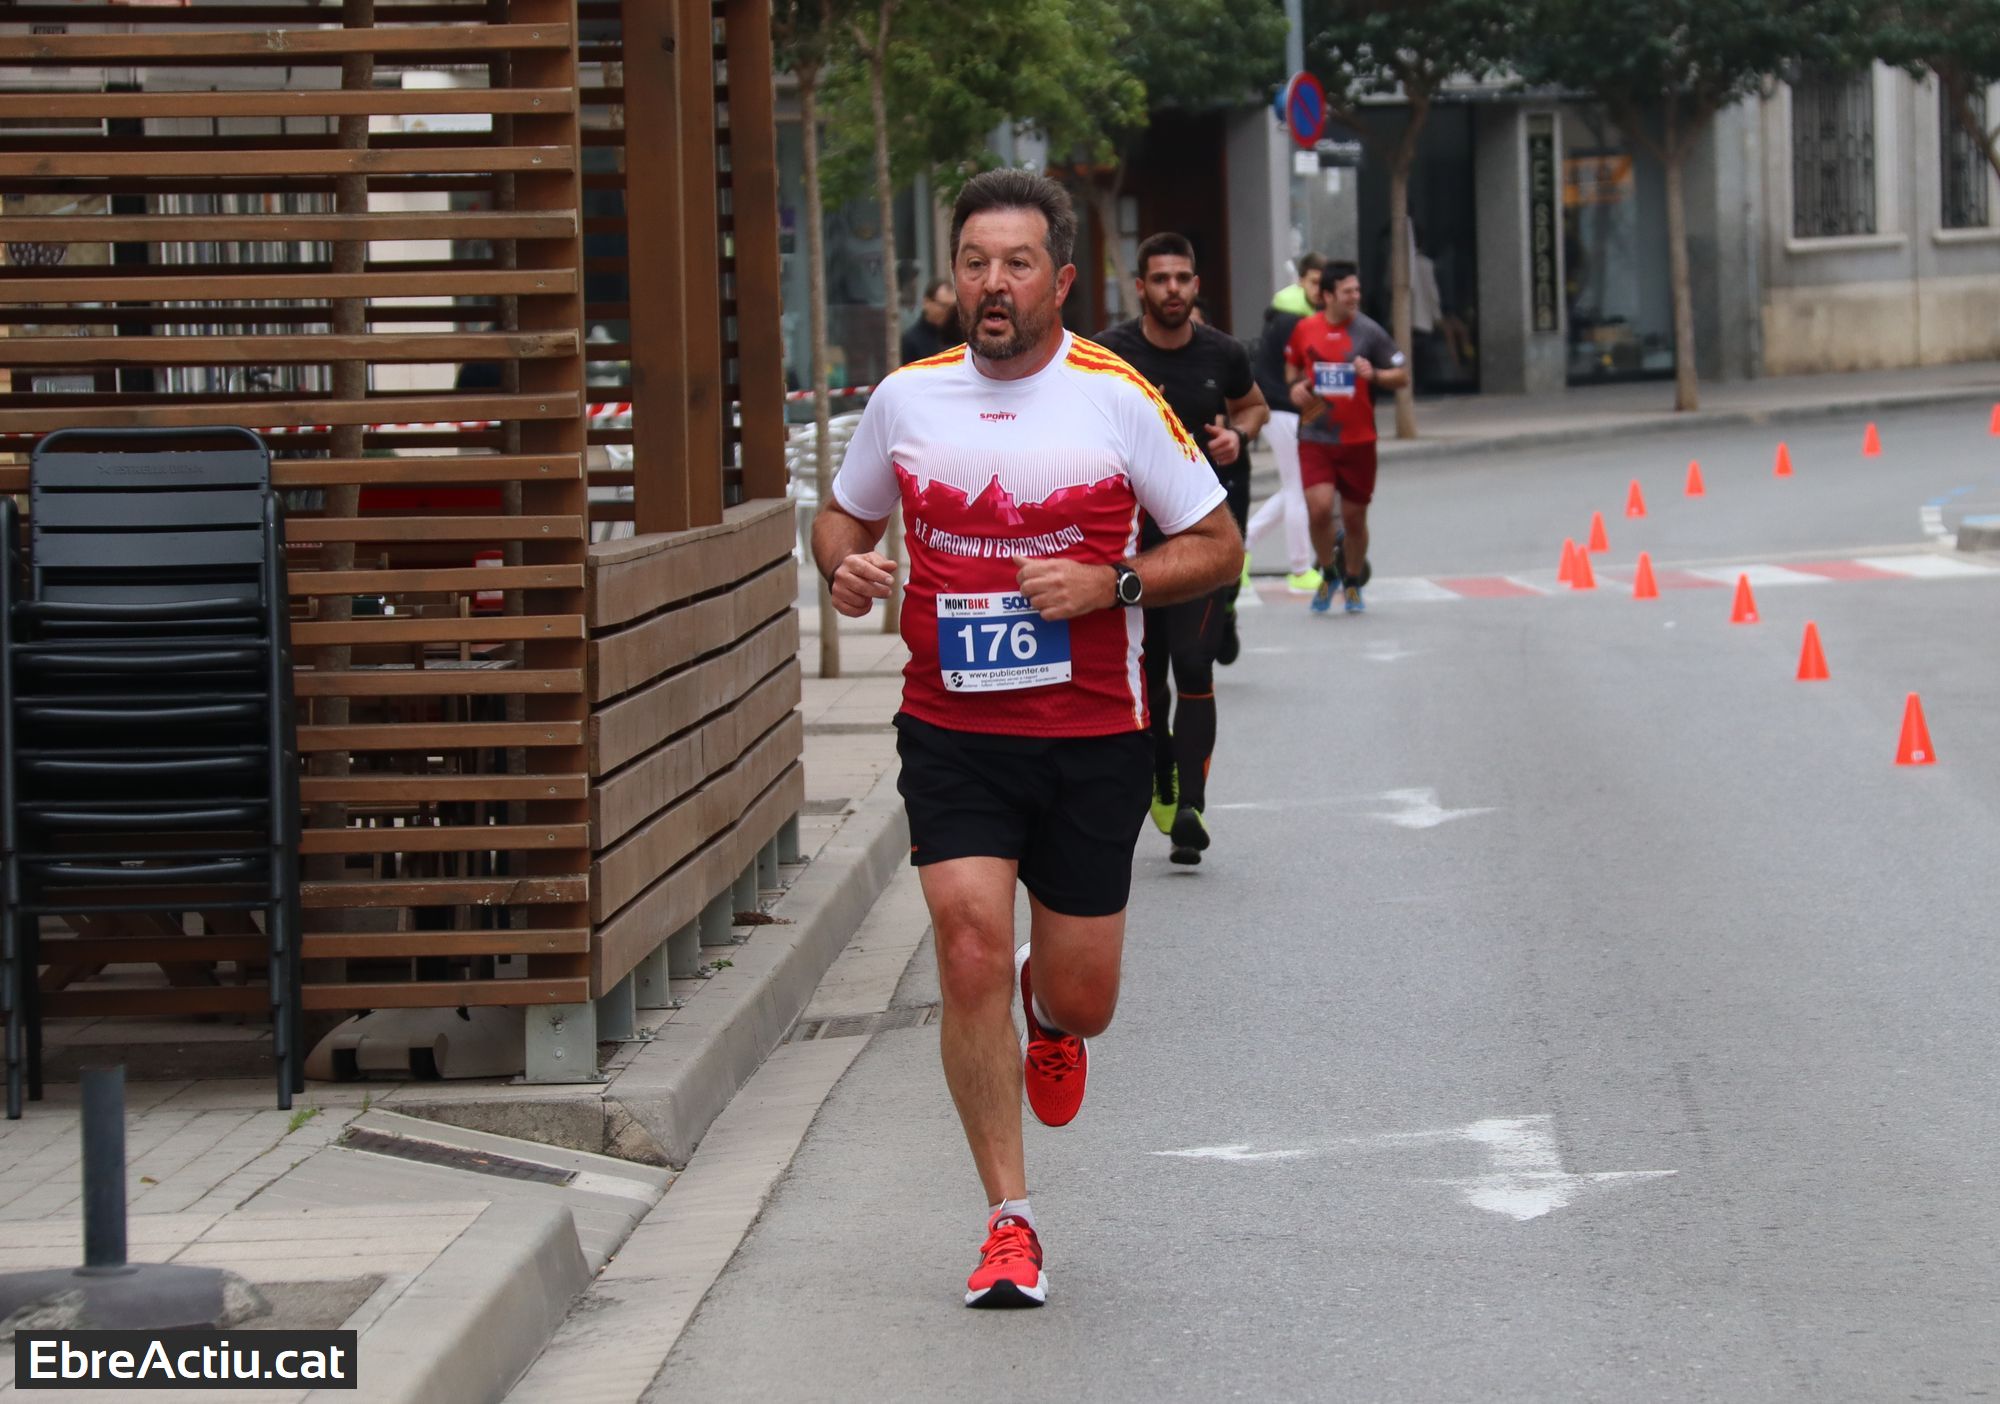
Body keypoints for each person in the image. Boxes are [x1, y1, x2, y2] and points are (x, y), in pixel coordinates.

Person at [812, 170, 1241, 1309]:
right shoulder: (906, 399)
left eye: (1015, 264)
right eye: (973, 264)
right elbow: (843, 512)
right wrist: (842, 562)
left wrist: (1111, 583)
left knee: (1085, 995)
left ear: (1060, 279)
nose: (992, 284)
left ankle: (1047, 1010)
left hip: (1093, 733)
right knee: (963, 947)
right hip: (951, 730)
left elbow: (1217, 544)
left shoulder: (1116, 397)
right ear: (952, 279)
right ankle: (1010, 1220)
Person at [1093, 233, 1266, 866]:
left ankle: (1190, 806)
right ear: (1141, 287)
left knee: (1193, 664)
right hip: (1132, 542)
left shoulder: (1223, 352)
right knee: (1148, 678)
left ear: (1196, 285)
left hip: (1198, 538)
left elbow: (1253, 406)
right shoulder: (1110, 354)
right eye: (1161, 279)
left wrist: (1238, 435)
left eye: (1183, 278)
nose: (1173, 289)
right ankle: (1163, 771)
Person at [1284, 259, 1408, 614]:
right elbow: (1291, 370)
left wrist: (1376, 375)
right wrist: (1295, 389)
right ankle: (1328, 571)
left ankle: (1352, 580)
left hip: (1358, 440)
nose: (1355, 296)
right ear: (1327, 296)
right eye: (1347, 291)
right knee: (1319, 509)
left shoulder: (1369, 332)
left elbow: (1402, 376)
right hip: (1315, 434)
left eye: (1357, 290)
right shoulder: (1305, 329)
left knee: (1354, 519)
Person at [1245, 255, 1324, 594]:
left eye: (1324, 284)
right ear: (1302, 280)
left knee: (1297, 486)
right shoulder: (1295, 319)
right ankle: (1300, 569)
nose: (1320, 290)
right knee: (1299, 489)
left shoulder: (1289, 313)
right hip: (1283, 410)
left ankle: (1242, 548)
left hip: (1281, 409)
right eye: (1315, 282)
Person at [900, 276, 963, 365]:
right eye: (943, 306)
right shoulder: (911, 341)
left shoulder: (962, 336)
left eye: (953, 307)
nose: (949, 312)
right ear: (926, 303)